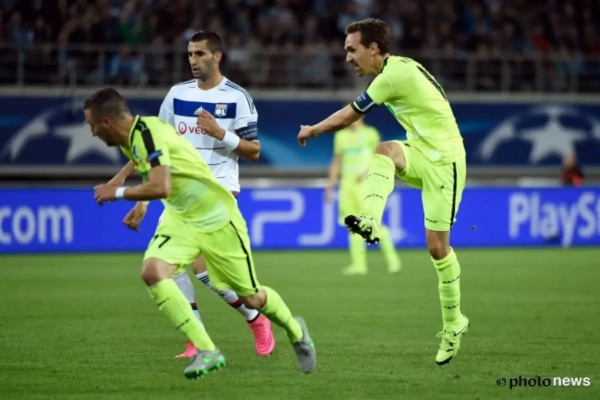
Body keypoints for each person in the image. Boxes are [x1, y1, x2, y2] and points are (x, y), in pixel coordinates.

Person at [87, 87, 316, 378]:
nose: (92, 132)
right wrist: (141, 204)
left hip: (216, 217)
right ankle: (207, 350)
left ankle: (297, 333)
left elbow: (161, 186)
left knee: (252, 298)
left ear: (106, 122)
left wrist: (118, 192)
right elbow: (152, 176)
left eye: (92, 125)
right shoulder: (133, 139)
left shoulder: (148, 133)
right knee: (153, 271)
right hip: (181, 219)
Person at [297, 18, 469, 365]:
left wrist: (313, 130)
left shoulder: (392, 76)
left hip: (446, 162)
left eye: (352, 49)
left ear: (373, 48)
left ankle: (454, 323)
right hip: (421, 151)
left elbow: (349, 115)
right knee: (386, 150)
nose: (348, 57)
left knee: (438, 249)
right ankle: (370, 220)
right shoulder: (400, 68)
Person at [159, 30, 273, 359]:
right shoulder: (177, 95)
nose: (193, 60)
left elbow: (254, 151)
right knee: (168, 267)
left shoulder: (237, 97)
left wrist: (220, 132)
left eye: (200, 54)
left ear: (217, 56)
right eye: (190, 54)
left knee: (202, 269)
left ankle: (256, 318)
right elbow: (159, 143)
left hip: (217, 190)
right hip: (180, 193)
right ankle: (199, 339)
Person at [325, 117, 401, 275]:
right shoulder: (341, 136)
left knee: (374, 223)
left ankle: (393, 261)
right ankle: (358, 265)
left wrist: (367, 172)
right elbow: (336, 162)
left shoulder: (371, 134)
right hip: (347, 188)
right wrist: (330, 187)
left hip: (365, 186)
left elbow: (381, 158)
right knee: (352, 225)